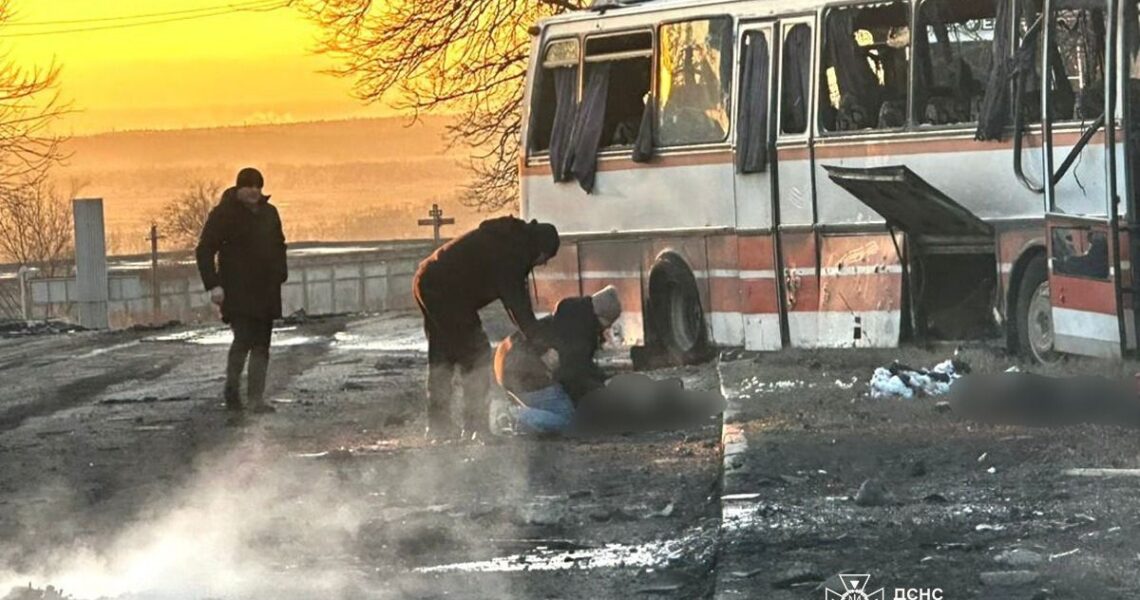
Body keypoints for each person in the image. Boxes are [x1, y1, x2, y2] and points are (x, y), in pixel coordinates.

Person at [413, 216, 561, 440]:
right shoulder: (512, 254)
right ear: (541, 249)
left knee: (442, 356)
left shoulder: (509, 240)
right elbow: (518, 306)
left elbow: (516, 303)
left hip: (427, 279)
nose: (542, 264)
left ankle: (438, 427)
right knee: (477, 354)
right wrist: (542, 348)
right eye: (545, 258)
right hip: (446, 291)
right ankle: (475, 427)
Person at [195, 167, 287, 415]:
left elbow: (279, 244)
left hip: (266, 288)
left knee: (262, 344)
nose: (255, 191)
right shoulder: (224, 214)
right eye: (249, 186)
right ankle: (232, 392)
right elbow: (205, 250)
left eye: (258, 186)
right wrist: (213, 284)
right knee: (244, 339)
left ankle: (256, 399)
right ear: (239, 188)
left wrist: (281, 272)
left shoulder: (269, 213)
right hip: (236, 289)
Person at [493, 285, 622, 435]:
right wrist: (602, 385)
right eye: (607, 324)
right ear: (600, 316)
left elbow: (575, 365)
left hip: (508, 364)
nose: (605, 329)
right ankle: (513, 416)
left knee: (554, 411)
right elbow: (573, 371)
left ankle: (517, 415)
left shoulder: (573, 317)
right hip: (526, 372)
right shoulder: (580, 330)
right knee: (567, 420)